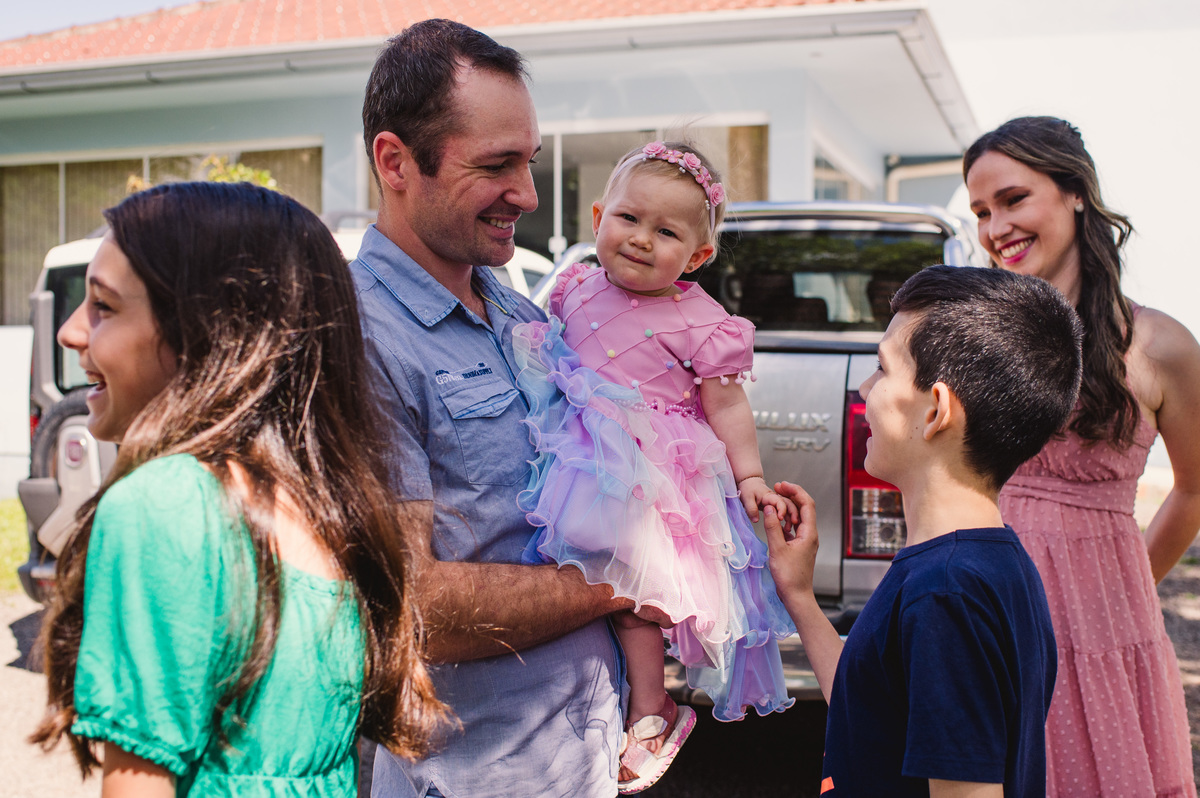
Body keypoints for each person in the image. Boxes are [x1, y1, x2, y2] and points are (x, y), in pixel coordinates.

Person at [29, 181, 445, 796]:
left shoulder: (165, 501)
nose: (70, 332)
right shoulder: (329, 506)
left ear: (210, 334)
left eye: (104, 307)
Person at [354, 19, 647, 798]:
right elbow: (408, 605)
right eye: (497, 165)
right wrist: (629, 577)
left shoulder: (516, 311)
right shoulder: (359, 338)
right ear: (395, 162)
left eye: (529, 161)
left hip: (576, 759)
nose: (528, 193)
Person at [511, 140, 798, 791]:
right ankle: (580, 702)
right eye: (628, 219)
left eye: (665, 231)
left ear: (697, 255)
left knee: (633, 600)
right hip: (574, 453)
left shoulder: (702, 321)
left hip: (649, 477)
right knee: (562, 580)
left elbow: (727, 408)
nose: (640, 240)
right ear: (596, 218)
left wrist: (749, 475)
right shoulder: (575, 283)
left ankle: (652, 707)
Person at [766, 265, 1083, 797]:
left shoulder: (945, 593)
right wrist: (798, 593)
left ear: (936, 409)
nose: (864, 388)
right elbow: (868, 700)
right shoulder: (981, 564)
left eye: (882, 369)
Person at [964, 116, 1200, 797]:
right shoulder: (982, 336)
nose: (994, 226)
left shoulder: (1160, 344)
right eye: (981, 211)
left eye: (1012, 199)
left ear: (1074, 192)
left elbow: (1193, 491)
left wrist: (1130, 590)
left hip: (1107, 622)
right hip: (992, 604)